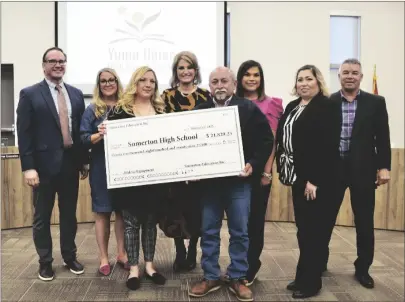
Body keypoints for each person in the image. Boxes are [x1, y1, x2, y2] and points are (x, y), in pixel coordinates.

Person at [188, 67, 273, 302]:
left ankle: (237, 276)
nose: (219, 85)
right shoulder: (200, 111)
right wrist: (190, 168)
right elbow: (189, 145)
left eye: (224, 81)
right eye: (214, 81)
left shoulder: (247, 109)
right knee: (209, 232)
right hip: (209, 186)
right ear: (209, 86)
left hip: (239, 183)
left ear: (234, 84)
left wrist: (253, 165)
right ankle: (211, 276)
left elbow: (267, 140)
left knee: (240, 232)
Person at [16, 46, 89, 281]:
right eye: (52, 61)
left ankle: (69, 256)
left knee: (69, 215)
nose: (58, 64)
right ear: (44, 65)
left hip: (70, 164)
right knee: (42, 217)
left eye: (62, 61)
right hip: (43, 168)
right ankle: (45, 262)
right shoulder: (30, 94)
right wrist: (28, 167)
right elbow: (24, 133)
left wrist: (84, 161)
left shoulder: (76, 94)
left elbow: (79, 132)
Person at [322, 58, 391, 289]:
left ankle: (363, 269)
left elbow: (383, 137)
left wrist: (384, 167)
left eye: (354, 72)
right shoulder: (327, 102)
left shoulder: (376, 102)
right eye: (345, 72)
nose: (350, 76)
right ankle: (320, 262)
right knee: (325, 219)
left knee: (364, 222)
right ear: (339, 76)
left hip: (363, 170)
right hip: (333, 170)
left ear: (361, 77)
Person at [99, 66, 167, 291]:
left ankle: (150, 265)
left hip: (154, 178)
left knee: (150, 223)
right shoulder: (121, 110)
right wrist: (104, 131)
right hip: (128, 179)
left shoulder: (162, 111)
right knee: (130, 224)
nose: (148, 85)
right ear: (135, 84)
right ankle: (134, 268)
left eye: (152, 81)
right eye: (143, 80)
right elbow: (111, 142)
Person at [275, 65, 338, 299]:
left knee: (314, 232)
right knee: (304, 231)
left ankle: (312, 283)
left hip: (315, 181)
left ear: (318, 81)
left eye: (308, 79)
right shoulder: (293, 106)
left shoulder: (327, 106)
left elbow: (328, 147)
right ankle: (303, 276)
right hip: (297, 177)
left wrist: (314, 180)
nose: (303, 83)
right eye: (300, 79)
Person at [161, 51, 213, 272]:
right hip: (173, 165)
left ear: (195, 71)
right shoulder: (165, 96)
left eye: (189, 67)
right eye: (181, 68)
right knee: (174, 209)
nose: (185, 72)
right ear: (176, 72)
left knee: (196, 210)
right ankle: (179, 250)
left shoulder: (205, 96)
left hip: (199, 165)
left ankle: (192, 249)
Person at [235, 60, 284, 285]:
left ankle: (251, 266)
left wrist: (266, 172)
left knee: (254, 222)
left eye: (256, 75)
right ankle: (238, 265)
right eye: (247, 75)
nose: (252, 79)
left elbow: (272, 140)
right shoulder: (232, 102)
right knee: (238, 223)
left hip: (258, 173)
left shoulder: (271, 104)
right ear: (240, 78)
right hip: (234, 172)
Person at [80, 68, 128, 276]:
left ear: (117, 82)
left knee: (122, 213)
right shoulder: (92, 110)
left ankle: (122, 254)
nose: (108, 84)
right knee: (102, 213)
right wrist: (98, 134)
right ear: (98, 85)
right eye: (103, 81)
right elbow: (82, 138)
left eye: (111, 80)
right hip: (101, 167)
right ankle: (103, 258)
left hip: (125, 166)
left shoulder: (126, 107)